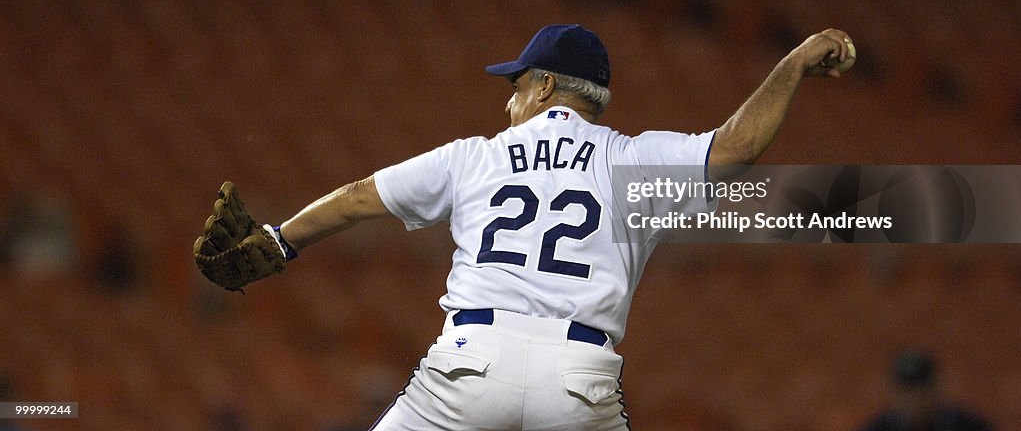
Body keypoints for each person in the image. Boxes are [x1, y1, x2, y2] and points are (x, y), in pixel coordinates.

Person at [271, 24, 855, 430]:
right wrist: (794, 62)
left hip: (471, 361)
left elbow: (354, 198)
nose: (509, 102)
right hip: (579, 375)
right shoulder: (631, 162)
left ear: (544, 85)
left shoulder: (474, 156)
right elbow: (738, 147)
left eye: (516, 84)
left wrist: (281, 241)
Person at [859, 350, 993, 431]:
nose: (913, 398)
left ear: (936, 387)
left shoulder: (968, 426)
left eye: (920, 389)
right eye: (906, 390)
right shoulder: (877, 428)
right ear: (892, 390)